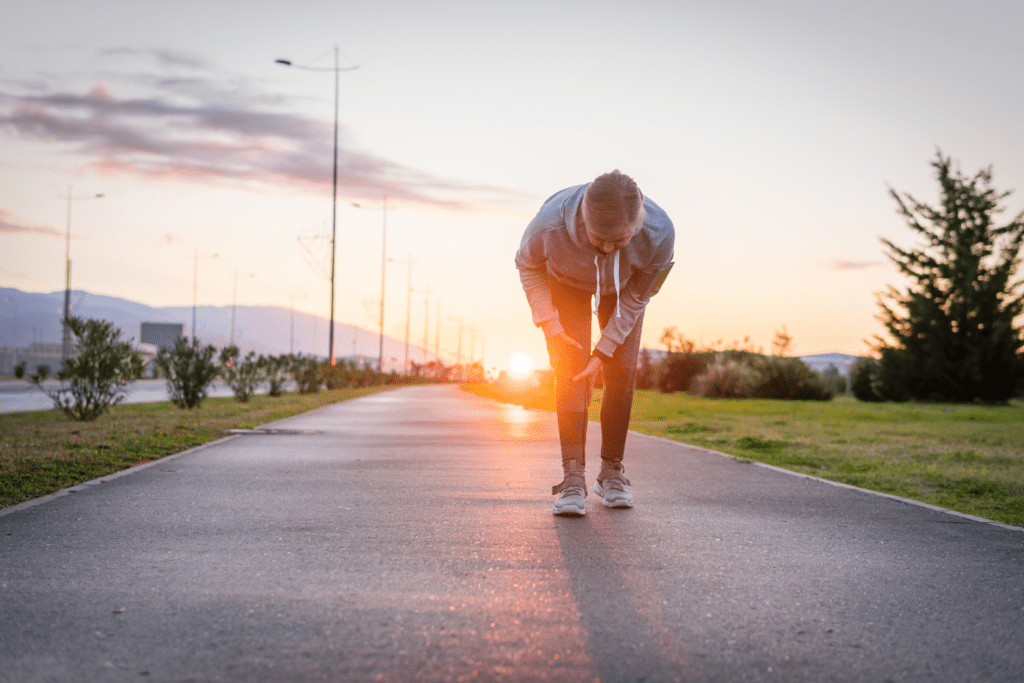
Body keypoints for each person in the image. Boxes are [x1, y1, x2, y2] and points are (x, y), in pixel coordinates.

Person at [516, 170, 675, 516]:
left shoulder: (660, 233)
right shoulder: (548, 225)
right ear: (583, 220)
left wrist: (604, 350)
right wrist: (552, 329)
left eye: (618, 241)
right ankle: (573, 478)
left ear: (637, 225)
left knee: (622, 369)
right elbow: (527, 265)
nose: (605, 249)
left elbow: (636, 298)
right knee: (570, 370)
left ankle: (611, 473)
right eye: (596, 238)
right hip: (566, 282)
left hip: (622, 290)